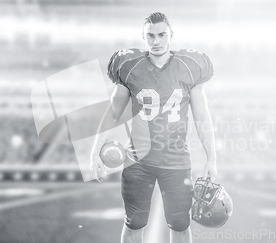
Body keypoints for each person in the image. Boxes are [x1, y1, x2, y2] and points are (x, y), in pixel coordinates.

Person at [90, 12, 217, 243]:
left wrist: (212, 158)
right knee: (134, 223)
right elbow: (113, 112)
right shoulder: (130, 66)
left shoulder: (189, 67)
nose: (156, 41)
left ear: (171, 35)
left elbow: (202, 116)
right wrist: (94, 151)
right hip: (138, 161)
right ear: (143, 37)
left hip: (176, 161)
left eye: (161, 35)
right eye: (150, 36)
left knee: (180, 225)